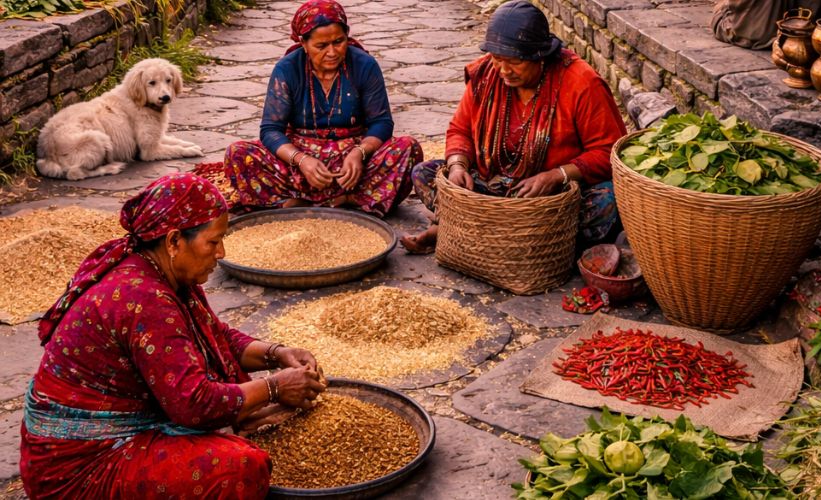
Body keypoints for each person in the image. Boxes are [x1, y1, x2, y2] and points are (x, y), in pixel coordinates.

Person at [20, 173, 326, 499]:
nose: (221, 252)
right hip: (78, 463)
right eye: (213, 241)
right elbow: (194, 403)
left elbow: (213, 336)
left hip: (120, 426)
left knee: (232, 387)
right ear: (174, 241)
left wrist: (277, 354)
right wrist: (275, 387)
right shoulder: (142, 298)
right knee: (241, 468)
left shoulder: (162, 270)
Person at [400, 0, 627, 254]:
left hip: (550, 201)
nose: (504, 70)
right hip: (493, 187)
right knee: (425, 174)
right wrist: (457, 166)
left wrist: (556, 175)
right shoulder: (487, 74)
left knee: (609, 201)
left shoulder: (581, 83)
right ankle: (513, 240)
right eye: (497, 59)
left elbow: (610, 151)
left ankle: (459, 232)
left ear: (540, 56)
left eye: (515, 61)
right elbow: (459, 130)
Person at [222, 0, 422, 216]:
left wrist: (359, 153)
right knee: (239, 153)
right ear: (304, 44)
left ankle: (346, 198)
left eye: (339, 41)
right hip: (300, 157)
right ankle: (305, 201)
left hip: (353, 157)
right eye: (321, 46)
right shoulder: (287, 69)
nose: (332, 52)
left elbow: (381, 123)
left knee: (408, 148)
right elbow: (271, 130)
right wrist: (302, 160)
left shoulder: (364, 65)